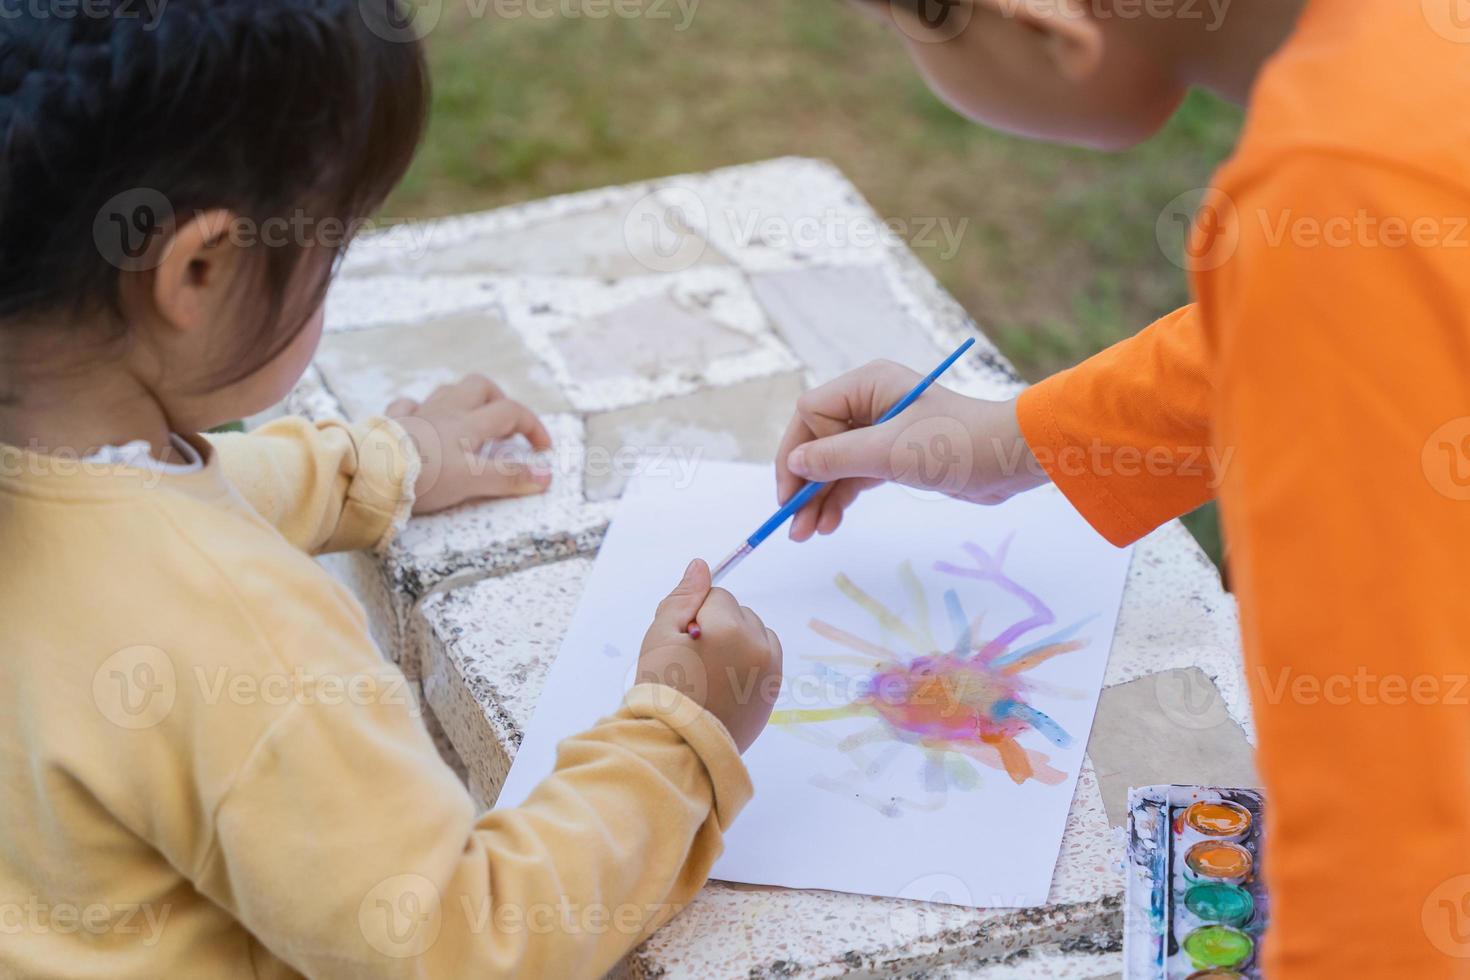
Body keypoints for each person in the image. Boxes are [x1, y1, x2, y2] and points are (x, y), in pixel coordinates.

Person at [0, 4, 779, 976]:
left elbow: (169, 499)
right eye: (331, 253)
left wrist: (380, 464)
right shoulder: (241, 633)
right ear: (197, 270)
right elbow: (457, 942)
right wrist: (679, 736)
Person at [776, 0, 1470, 974]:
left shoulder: (1338, 195)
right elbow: (1396, 310)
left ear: (1046, 24)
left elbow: (1394, 837)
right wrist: (1021, 438)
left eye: (900, 28)